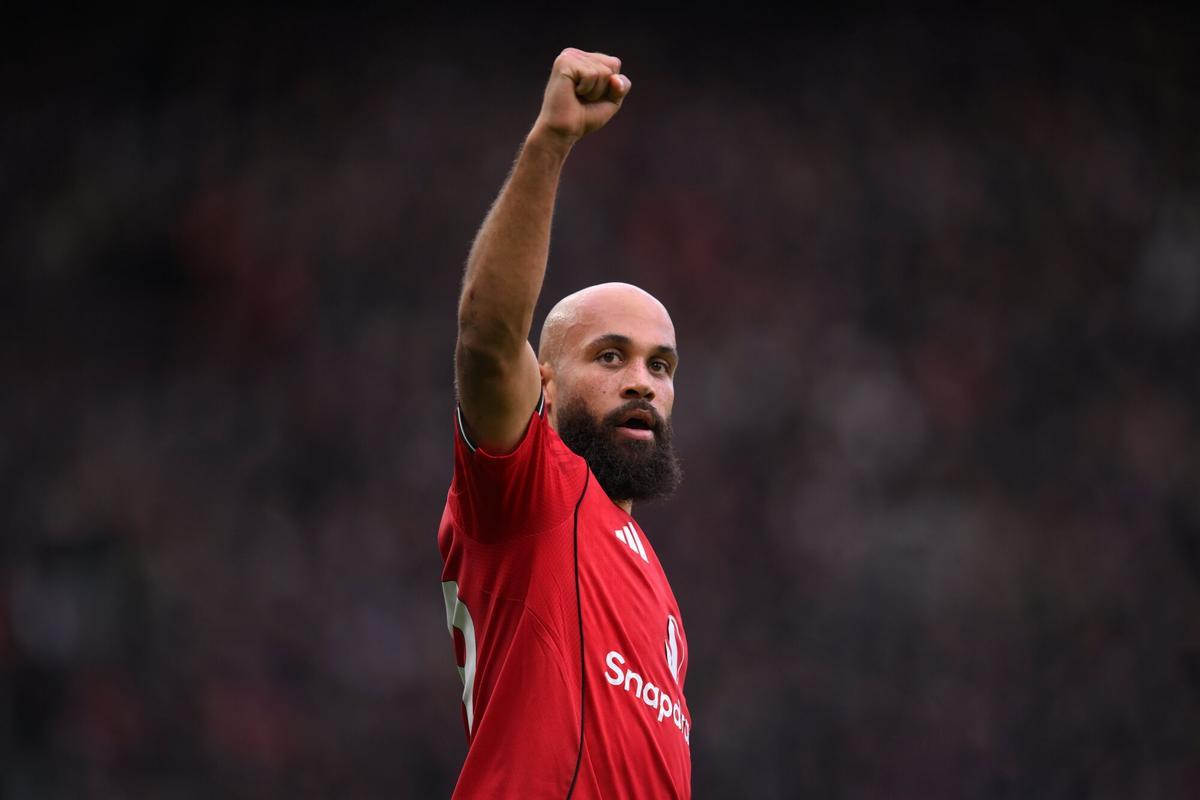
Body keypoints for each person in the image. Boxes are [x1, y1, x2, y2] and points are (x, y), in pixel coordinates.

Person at [437, 48, 693, 798]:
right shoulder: (529, 489)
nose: (642, 382)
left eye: (661, 366)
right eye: (610, 357)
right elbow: (486, 338)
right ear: (541, 384)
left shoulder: (660, 596)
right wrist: (551, 141)